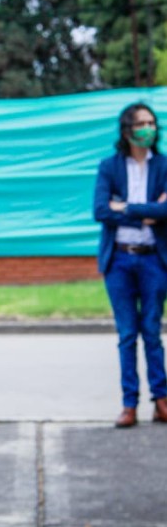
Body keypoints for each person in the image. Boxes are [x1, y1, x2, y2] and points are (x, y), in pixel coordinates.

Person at [93, 102, 167, 428]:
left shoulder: (164, 166)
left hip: (153, 259)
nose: (148, 128)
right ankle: (129, 404)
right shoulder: (109, 167)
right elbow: (99, 210)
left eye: (152, 123)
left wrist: (124, 206)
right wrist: (147, 210)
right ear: (127, 130)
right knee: (127, 334)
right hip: (120, 260)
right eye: (142, 123)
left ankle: (162, 400)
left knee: (152, 331)